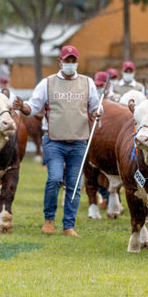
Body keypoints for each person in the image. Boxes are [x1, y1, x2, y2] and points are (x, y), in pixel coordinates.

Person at [13, 45, 101, 237]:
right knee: (54, 179)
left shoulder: (87, 83)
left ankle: (68, 225)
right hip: (53, 141)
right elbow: (33, 105)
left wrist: (97, 112)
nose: (70, 64)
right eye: (66, 60)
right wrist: (23, 107)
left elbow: (95, 107)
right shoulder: (47, 83)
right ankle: (49, 220)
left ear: (76, 62)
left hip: (78, 142)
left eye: (73, 60)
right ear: (59, 62)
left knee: (75, 184)